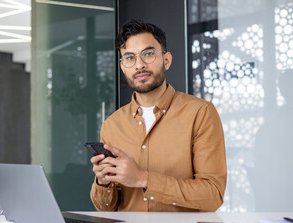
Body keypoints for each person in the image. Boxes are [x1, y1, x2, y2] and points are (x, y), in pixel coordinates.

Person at [90, 19, 227, 212]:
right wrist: (103, 182)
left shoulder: (200, 113)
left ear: (166, 60)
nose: (139, 65)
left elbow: (213, 195)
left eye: (148, 54)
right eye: (129, 57)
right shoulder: (112, 125)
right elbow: (105, 208)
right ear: (123, 67)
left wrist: (143, 179)